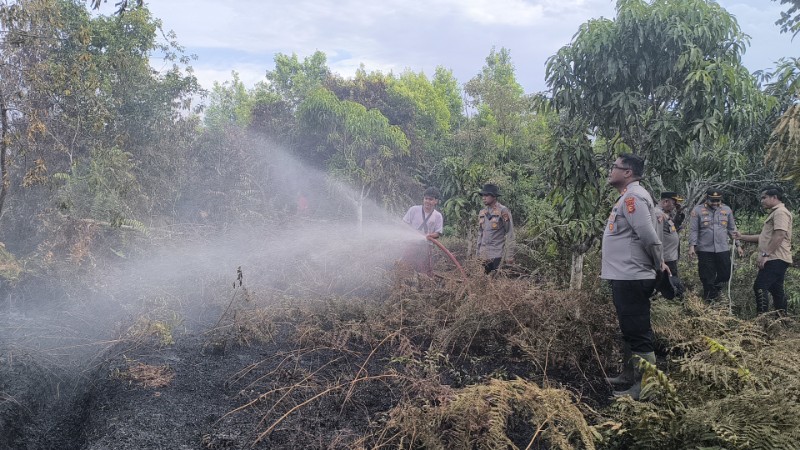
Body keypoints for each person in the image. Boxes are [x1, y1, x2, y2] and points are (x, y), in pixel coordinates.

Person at [601, 154, 666, 400]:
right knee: (629, 328)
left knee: (637, 330)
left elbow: (649, 236)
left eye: (614, 167)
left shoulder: (634, 198)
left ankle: (645, 387)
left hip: (633, 274)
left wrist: (659, 264)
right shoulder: (627, 197)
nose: (610, 171)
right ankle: (629, 374)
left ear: (628, 172)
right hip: (624, 274)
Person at [732, 186, 793, 314]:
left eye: (764, 197)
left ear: (774, 197)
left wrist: (766, 254)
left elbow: (780, 234)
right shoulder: (775, 212)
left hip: (775, 257)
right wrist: (742, 236)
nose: (762, 201)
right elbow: (763, 237)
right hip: (776, 257)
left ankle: (762, 319)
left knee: (760, 286)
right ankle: (782, 319)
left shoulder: (780, 212)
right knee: (776, 289)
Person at [688, 189, 744, 301]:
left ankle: (716, 291)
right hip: (705, 249)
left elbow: (732, 229)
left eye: (717, 200)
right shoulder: (697, 210)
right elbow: (694, 230)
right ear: (706, 198)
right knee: (707, 276)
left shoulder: (726, 210)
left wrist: (738, 245)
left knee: (726, 273)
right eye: (712, 200)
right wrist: (692, 247)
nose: (715, 203)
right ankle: (710, 300)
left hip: (722, 249)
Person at [401, 187, 444, 275]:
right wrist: (412, 231)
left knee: (424, 271)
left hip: (426, 247)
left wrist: (430, 236)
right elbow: (404, 224)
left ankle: (423, 287)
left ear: (436, 201)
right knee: (405, 268)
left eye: (431, 199)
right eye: (426, 198)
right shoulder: (414, 210)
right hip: (411, 245)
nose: (427, 201)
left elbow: (438, 233)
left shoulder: (438, 216)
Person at [476, 183, 515, 274]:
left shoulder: (503, 211)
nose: (483, 197)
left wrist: (509, 256)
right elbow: (480, 235)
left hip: (497, 255)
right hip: (484, 255)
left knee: (496, 283)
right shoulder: (482, 212)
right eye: (483, 195)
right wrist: (477, 254)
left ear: (494, 196)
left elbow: (510, 232)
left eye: (486, 195)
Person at [658, 191, 683, 277]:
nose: (675, 206)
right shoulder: (658, 214)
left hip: (670, 257)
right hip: (665, 258)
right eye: (674, 203)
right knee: (671, 287)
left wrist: (679, 212)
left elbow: (673, 228)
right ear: (665, 202)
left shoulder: (666, 214)